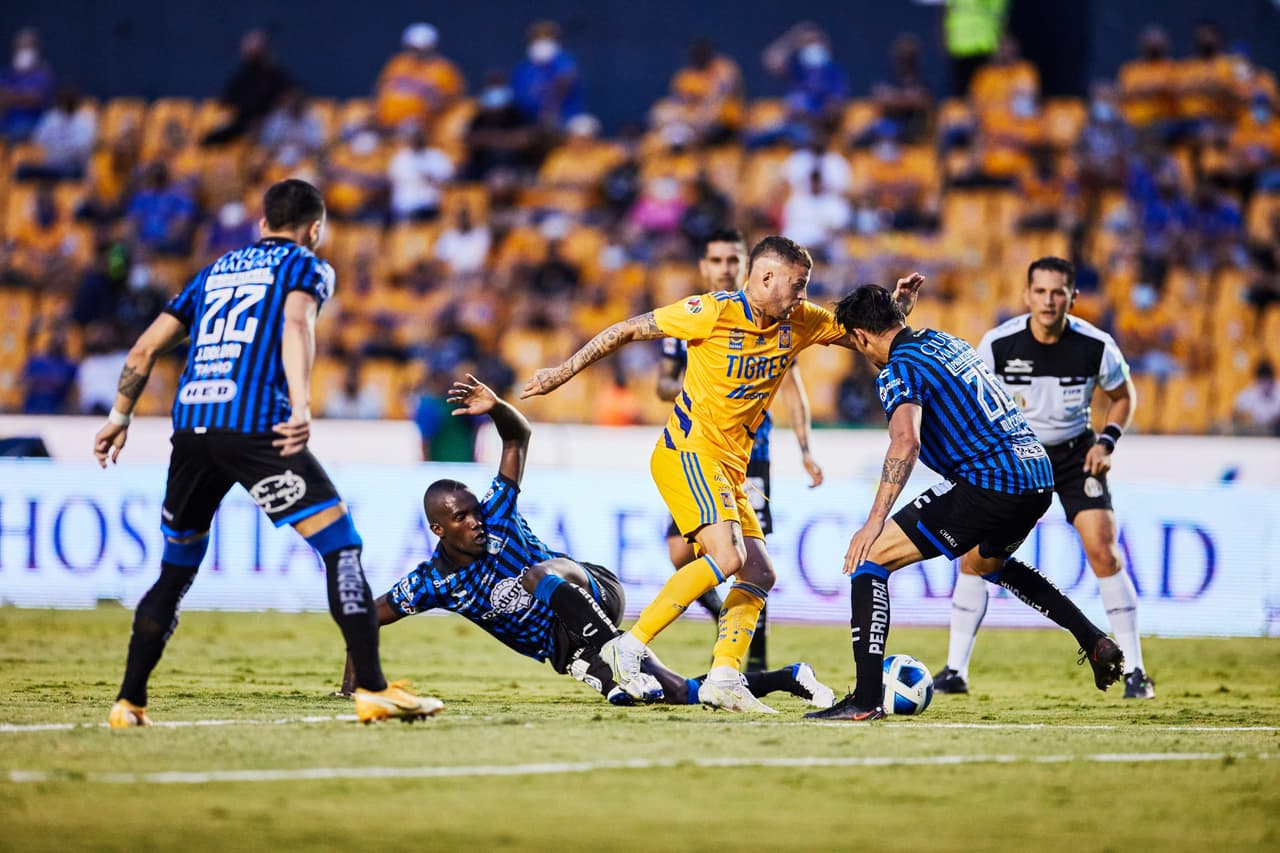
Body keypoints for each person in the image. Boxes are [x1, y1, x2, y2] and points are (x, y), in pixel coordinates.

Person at [94, 179, 441, 727]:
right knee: (341, 547)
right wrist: (301, 406)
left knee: (175, 571)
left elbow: (144, 347)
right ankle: (372, 689)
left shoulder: (213, 273)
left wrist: (119, 418)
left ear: (262, 225)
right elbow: (296, 322)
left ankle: (128, 702)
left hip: (191, 431)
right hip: (258, 428)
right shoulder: (306, 265)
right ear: (315, 229)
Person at [338, 374, 836, 712]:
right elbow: (366, 617)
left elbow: (519, 439)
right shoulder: (433, 582)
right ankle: (788, 677)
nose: (475, 521)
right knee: (682, 694)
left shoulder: (498, 511)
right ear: (439, 529)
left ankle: (621, 650)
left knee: (539, 575)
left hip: (592, 589)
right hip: (567, 648)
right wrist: (351, 684)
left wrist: (500, 409)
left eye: (473, 510)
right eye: (461, 517)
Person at [522, 235, 859, 713]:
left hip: (730, 466)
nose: (803, 296)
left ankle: (724, 675)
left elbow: (863, 337)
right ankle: (630, 644)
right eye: (797, 285)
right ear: (765, 277)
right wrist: (563, 372)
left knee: (760, 570)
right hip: (687, 452)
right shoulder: (710, 311)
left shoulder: (801, 320)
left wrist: (898, 316)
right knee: (727, 556)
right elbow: (625, 330)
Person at [804, 279, 1125, 722]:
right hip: (1036, 475)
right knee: (986, 564)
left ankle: (864, 699)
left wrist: (874, 520)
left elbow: (905, 443)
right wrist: (894, 311)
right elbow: (893, 337)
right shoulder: (942, 340)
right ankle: (1092, 638)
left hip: (991, 480)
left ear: (859, 338)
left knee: (870, 562)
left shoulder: (898, 370)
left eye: (857, 345)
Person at [934, 257, 1154, 700]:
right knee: (976, 558)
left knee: (1103, 551)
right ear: (1026, 295)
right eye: (1041, 292)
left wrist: (1106, 442)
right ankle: (955, 670)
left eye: (1059, 293)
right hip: (1015, 460)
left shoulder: (1096, 345)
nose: (1049, 301)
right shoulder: (998, 345)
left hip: (1075, 456)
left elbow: (1122, 395)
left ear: (1073, 297)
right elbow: (973, 405)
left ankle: (1135, 671)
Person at [654, 229, 825, 671]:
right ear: (704, 267)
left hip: (751, 454)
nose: (725, 268)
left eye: (733, 260)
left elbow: (792, 387)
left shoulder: (780, 317)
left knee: (751, 559)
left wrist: (805, 448)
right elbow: (663, 383)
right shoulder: (694, 316)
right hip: (696, 447)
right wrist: (706, 382)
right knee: (680, 551)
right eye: (716, 261)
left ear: (749, 268)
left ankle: (754, 664)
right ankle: (723, 621)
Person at [374, 22, 465, 132]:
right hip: (386, 124)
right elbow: (381, 90)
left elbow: (451, 103)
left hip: (423, 129)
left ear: (432, 47)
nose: (416, 52)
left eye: (421, 49)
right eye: (413, 48)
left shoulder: (443, 70)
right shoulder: (398, 63)